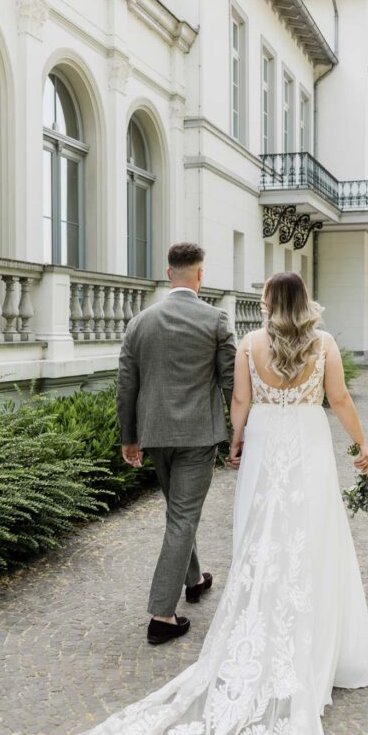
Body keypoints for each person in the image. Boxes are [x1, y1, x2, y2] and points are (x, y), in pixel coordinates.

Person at [0, 271, 368, 735]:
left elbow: (240, 401)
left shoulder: (252, 345)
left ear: (268, 303)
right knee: (310, 541)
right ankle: (323, 652)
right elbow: (338, 400)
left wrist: (236, 445)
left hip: (268, 445)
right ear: (306, 304)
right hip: (309, 446)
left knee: (262, 543)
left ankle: (266, 636)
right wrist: (362, 448)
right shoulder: (327, 344)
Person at [116, 242, 237, 644]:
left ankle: (195, 579)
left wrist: (129, 437)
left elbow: (126, 386)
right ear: (200, 275)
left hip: (155, 434)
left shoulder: (140, 322)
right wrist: (240, 433)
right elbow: (232, 382)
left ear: (170, 274)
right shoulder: (217, 320)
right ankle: (162, 616)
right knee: (183, 516)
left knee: (178, 512)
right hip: (199, 435)